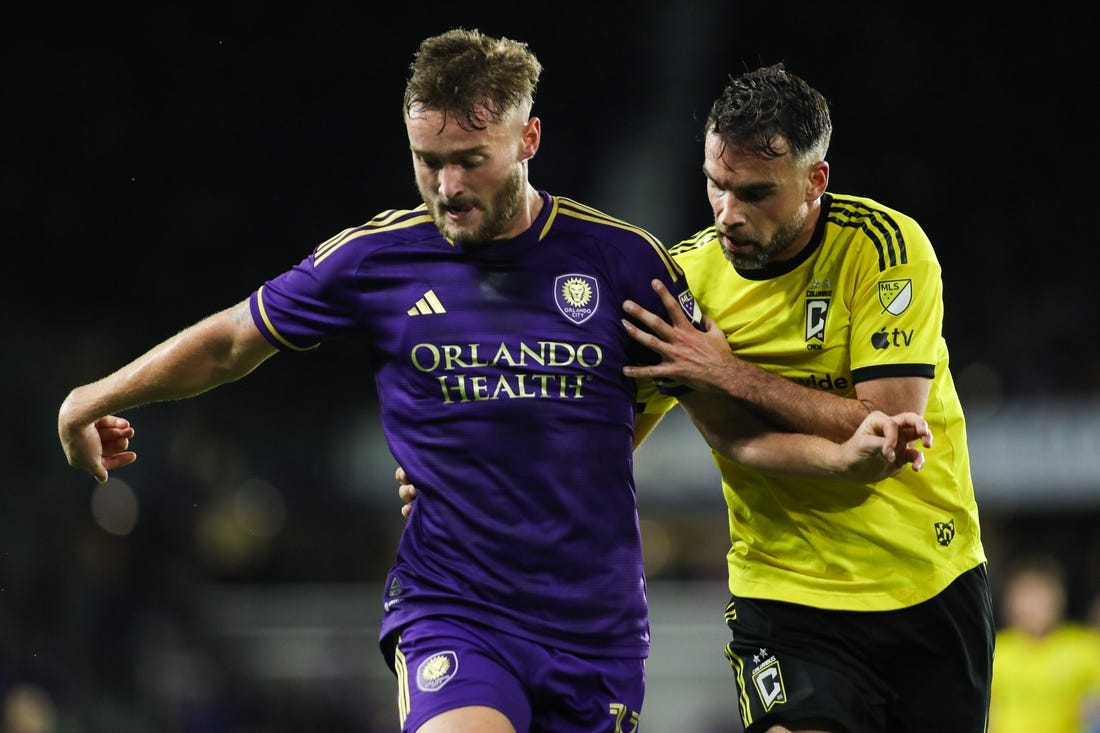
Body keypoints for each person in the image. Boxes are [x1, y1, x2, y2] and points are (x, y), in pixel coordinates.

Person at [58, 34, 928, 733]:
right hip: (454, 605)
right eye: (427, 159)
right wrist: (95, 397)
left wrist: (842, 461)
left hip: (594, 629)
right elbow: (232, 340)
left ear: (528, 140)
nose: (446, 186)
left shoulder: (621, 262)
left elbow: (728, 430)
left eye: (470, 158)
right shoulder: (376, 259)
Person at [618, 63, 994, 732]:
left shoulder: (883, 248)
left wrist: (729, 373)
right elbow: (599, 435)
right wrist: (468, 479)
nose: (728, 213)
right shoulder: (683, 283)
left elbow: (888, 423)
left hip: (927, 584)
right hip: (785, 596)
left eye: (755, 192)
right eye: (715, 185)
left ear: (814, 180)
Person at [988, 554, 1100, 733]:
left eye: (1039, 596)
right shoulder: (994, 652)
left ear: (1059, 600)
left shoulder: (1085, 647)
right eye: (1025, 597)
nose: (1032, 607)